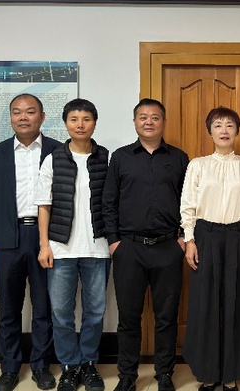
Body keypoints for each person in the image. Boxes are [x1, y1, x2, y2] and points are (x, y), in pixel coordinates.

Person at [102, 98, 189, 391]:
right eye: (143, 117)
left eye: (154, 117)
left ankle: (164, 373)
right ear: (135, 122)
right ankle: (127, 375)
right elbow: (108, 201)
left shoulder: (179, 158)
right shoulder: (121, 157)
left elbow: (189, 202)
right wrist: (114, 241)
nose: (148, 122)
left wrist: (183, 238)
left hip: (168, 247)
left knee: (167, 316)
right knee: (129, 317)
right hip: (129, 248)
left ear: (163, 122)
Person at [0, 94, 62, 391]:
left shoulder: (57, 150)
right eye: (17, 112)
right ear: (11, 117)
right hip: (7, 237)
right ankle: (10, 367)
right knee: (9, 307)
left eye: (30, 112)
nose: (23, 117)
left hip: (45, 238)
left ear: (42, 116)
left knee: (44, 306)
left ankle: (41, 365)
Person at [181, 107, 240, 391]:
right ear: (210, 131)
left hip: (238, 238)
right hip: (205, 237)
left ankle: (231, 374)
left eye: (229, 125)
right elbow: (188, 207)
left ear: (237, 131)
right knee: (205, 304)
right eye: (218, 125)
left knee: (235, 304)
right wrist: (190, 241)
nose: (224, 130)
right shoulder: (197, 165)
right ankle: (207, 372)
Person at [36, 98, 110, 391]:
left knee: (95, 312)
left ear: (95, 123)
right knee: (61, 314)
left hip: (98, 248)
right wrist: (44, 245)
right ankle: (68, 366)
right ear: (66, 123)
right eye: (74, 119)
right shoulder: (53, 158)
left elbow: (113, 203)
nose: (80, 125)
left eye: (86, 119)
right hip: (61, 249)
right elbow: (44, 205)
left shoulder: (106, 158)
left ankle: (89, 364)